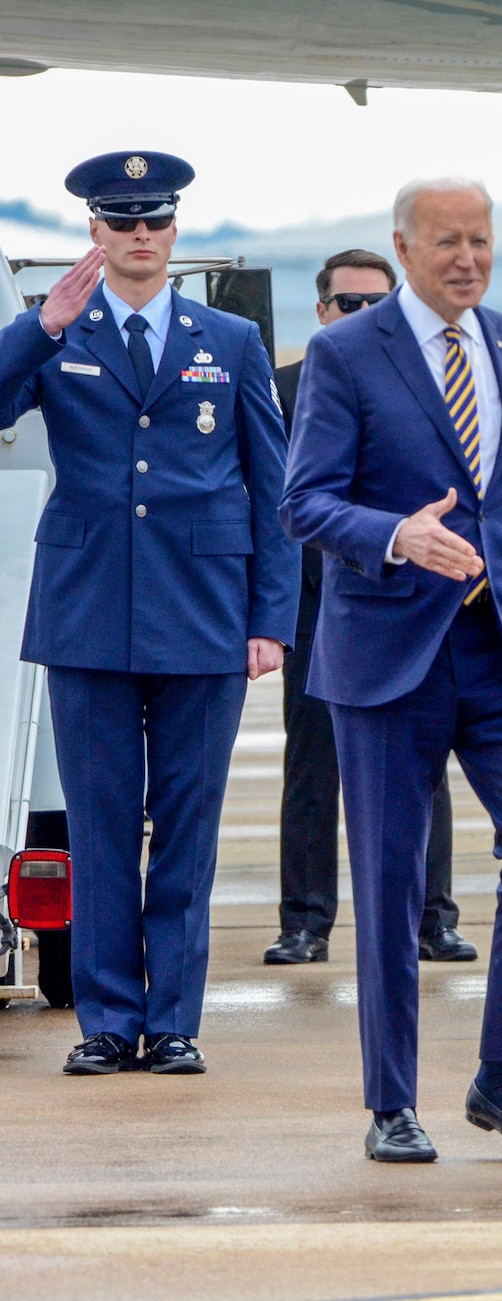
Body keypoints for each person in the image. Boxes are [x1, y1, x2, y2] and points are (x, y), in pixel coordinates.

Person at [281, 177, 502, 1164]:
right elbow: (306, 502)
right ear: (404, 248)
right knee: (391, 881)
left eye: (481, 240)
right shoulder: (342, 355)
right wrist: (396, 536)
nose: (467, 258)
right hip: (385, 658)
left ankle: (501, 1074)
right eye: (448, 241)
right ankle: (391, 1100)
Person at [0, 152, 296, 1077]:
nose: (138, 236)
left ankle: (171, 1020)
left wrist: (270, 618)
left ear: (174, 233)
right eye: (121, 221)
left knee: (186, 824)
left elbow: (268, 485)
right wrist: (37, 328)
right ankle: (106, 1018)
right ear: (93, 231)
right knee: (98, 820)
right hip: (89, 609)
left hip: (203, 611)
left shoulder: (231, 340)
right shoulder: (57, 331)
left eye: (154, 221)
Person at [266, 249, 470, 967]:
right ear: (321, 312)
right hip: (318, 603)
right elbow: (269, 503)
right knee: (314, 765)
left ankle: (433, 916)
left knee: (423, 763)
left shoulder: (434, 381)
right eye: (347, 304)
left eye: (375, 302)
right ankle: (305, 922)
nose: (360, 315)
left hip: (412, 603)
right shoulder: (281, 388)